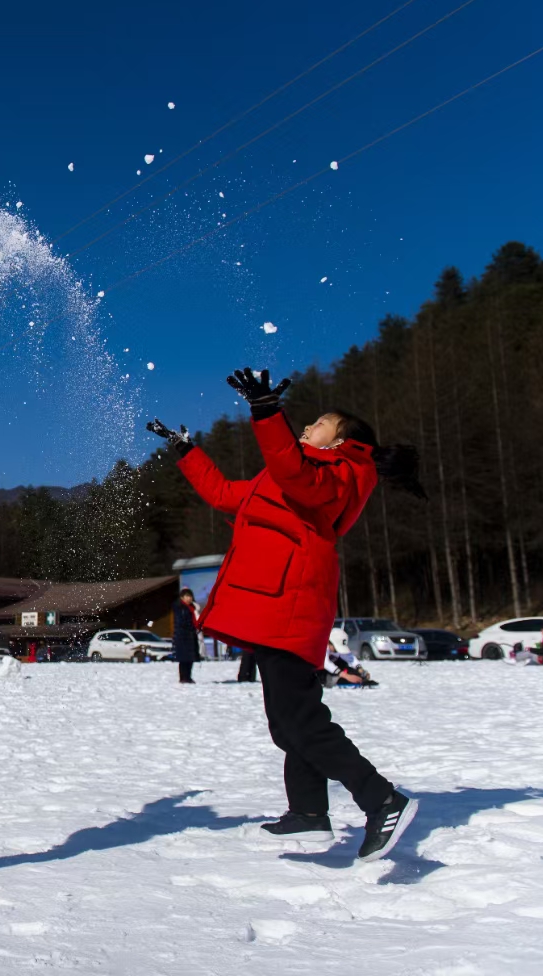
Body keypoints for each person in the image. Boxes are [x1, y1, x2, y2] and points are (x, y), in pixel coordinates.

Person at [149, 368, 427, 863]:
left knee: (300, 718)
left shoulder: (341, 472)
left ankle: (382, 799)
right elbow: (225, 495)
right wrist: (186, 451)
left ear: (342, 438)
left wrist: (266, 411)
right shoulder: (294, 471)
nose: (306, 428)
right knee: (288, 720)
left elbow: (295, 471)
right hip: (273, 603)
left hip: (291, 603)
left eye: (318, 423)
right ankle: (308, 813)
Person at [172, 588, 200, 684]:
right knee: (184, 658)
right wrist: (191, 627)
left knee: (190, 658)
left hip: (191, 636)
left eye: (190, 596)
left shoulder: (192, 607)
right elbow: (182, 622)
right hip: (182, 636)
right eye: (187, 596)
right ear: (182, 597)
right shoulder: (180, 607)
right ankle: (184, 677)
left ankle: (188, 676)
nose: (189, 598)